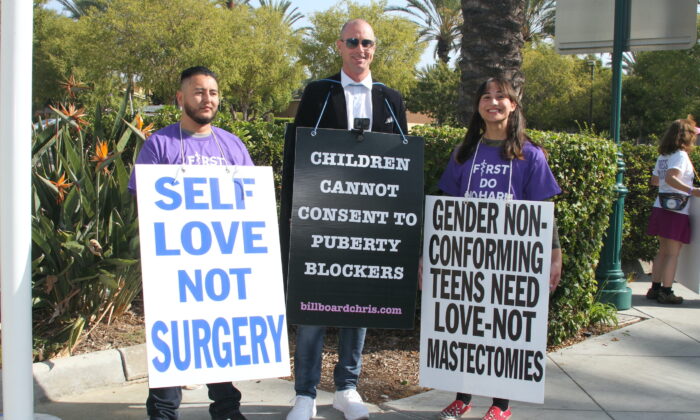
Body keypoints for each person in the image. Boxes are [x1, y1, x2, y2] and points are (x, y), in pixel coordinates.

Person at [280, 18, 408, 420]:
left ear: (374, 48)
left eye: (367, 42)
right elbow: (299, 152)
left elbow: (400, 163)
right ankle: (305, 393)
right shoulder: (319, 92)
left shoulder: (390, 99)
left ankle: (347, 388)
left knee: (360, 307)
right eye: (353, 41)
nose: (360, 49)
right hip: (321, 220)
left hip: (369, 227)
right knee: (314, 309)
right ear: (339, 46)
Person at [434, 77, 562, 420]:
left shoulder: (530, 155)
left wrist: (554, 254)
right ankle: (462, 398)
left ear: (513, 104)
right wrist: (428, 255)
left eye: (501, 96)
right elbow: (446, 209)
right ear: (478, 106)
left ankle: (500, 405)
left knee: (504, 332)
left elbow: (544, 213)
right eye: (486, 97)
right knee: (465, 329)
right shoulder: (463, 154)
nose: (493, 102)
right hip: (466, 259)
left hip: (512, 262)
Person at [128, 66, 252, 420]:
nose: (207, 99)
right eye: (198, 92)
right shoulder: (159, 145)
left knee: (219, 341)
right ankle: (164, 413)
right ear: (180, 98)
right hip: (173, 269)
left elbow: (249, 203)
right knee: (172, 343)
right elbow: (144, 205)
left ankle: (227, 411)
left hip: (221, 267)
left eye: (212, 92)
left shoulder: (232, 145)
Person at [646, 118, 700, 304]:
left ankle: (655, 287)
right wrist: (692, 190)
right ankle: (666, 291)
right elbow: (670, 178)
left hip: (661, 206)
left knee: (663, 250)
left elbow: (655, 180)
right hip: (676, 210)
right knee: (672, 253)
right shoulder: (680, 156)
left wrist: (669, 184)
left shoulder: (664, 156)